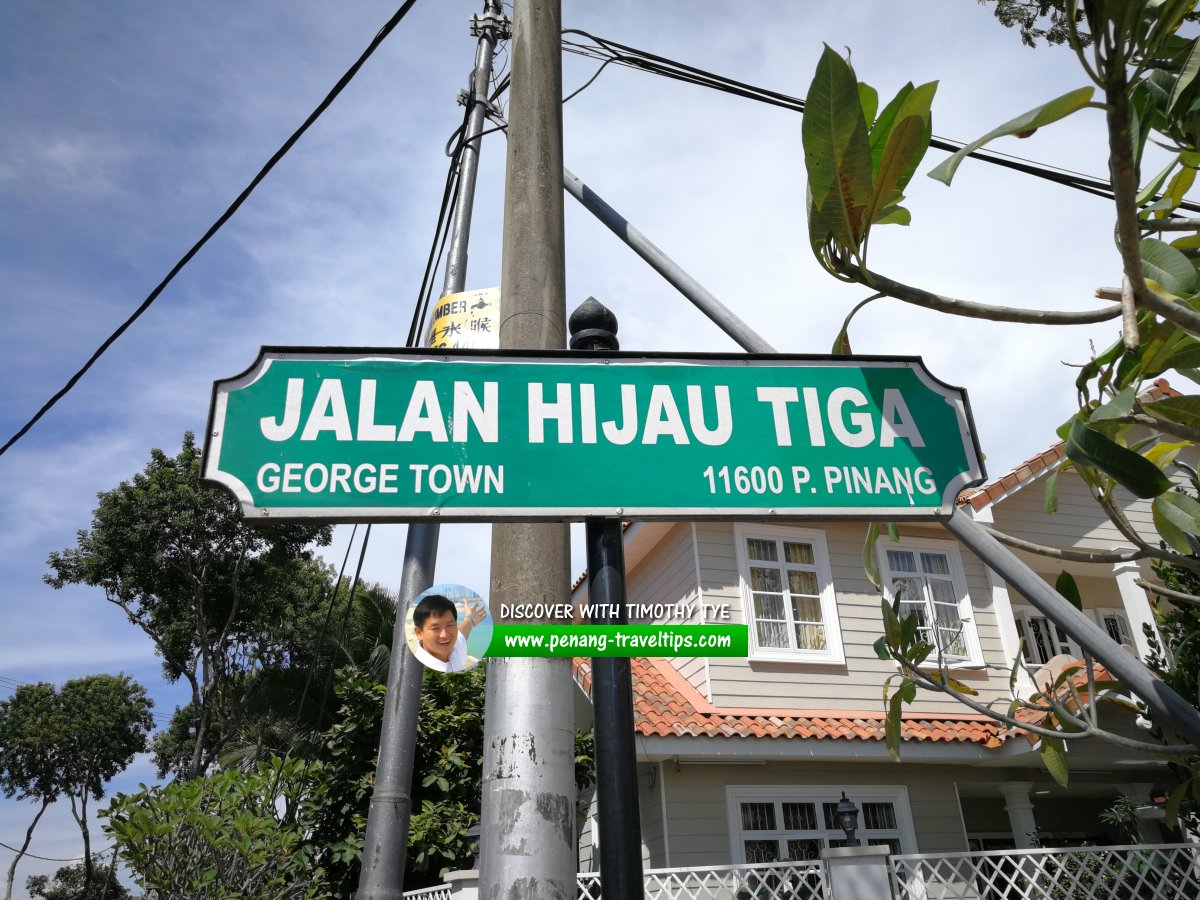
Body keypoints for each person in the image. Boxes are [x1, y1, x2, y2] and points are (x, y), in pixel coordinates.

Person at [410, 593, 486, 673]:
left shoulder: (455, 647)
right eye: (435, 628)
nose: (445, 635)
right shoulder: (417, 670)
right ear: (419, 633)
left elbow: (462, 632)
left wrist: (470, 619)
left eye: (449, 625)